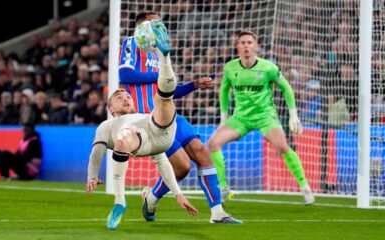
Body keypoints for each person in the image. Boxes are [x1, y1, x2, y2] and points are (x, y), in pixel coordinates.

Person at [119, 13, 241, 224]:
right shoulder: (131, 43)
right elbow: (125, 75)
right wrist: (160, 77)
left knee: (202, 152)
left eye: (160, 23)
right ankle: (152, 197)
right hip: (149, 122)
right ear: (141, 27)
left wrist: (193, 85)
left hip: (170, 115)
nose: (160, 26)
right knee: (182, 167)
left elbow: (169, 90)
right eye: (154, 22)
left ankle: (218, 213)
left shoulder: (159, 53)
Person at [87, 23, 198, 230]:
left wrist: (178, 194)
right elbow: (97, 152)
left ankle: (164, 56)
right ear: (111, 109)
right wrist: (92, 176)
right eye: (119, 97)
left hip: (158, 130)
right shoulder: (107, 125)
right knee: (124, 136)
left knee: (164, 99)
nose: (126, 97)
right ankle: (120, 201)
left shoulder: (141, 114)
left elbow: (162, 161)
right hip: (136, 140)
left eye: (128, 95)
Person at [207, 30, 315, 205]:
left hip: (265, 116)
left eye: (250, 42)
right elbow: (224, 90)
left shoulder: (268, 68)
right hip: (241, 118)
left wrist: (293, 115)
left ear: (256, 46)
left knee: (282, 147)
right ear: (237, 47)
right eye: (242, 43)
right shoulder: (230, 67)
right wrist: (223, 118)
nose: (246, 46)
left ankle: (304, 186)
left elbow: (286, 88)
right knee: (213, 143)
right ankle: (223, 188)